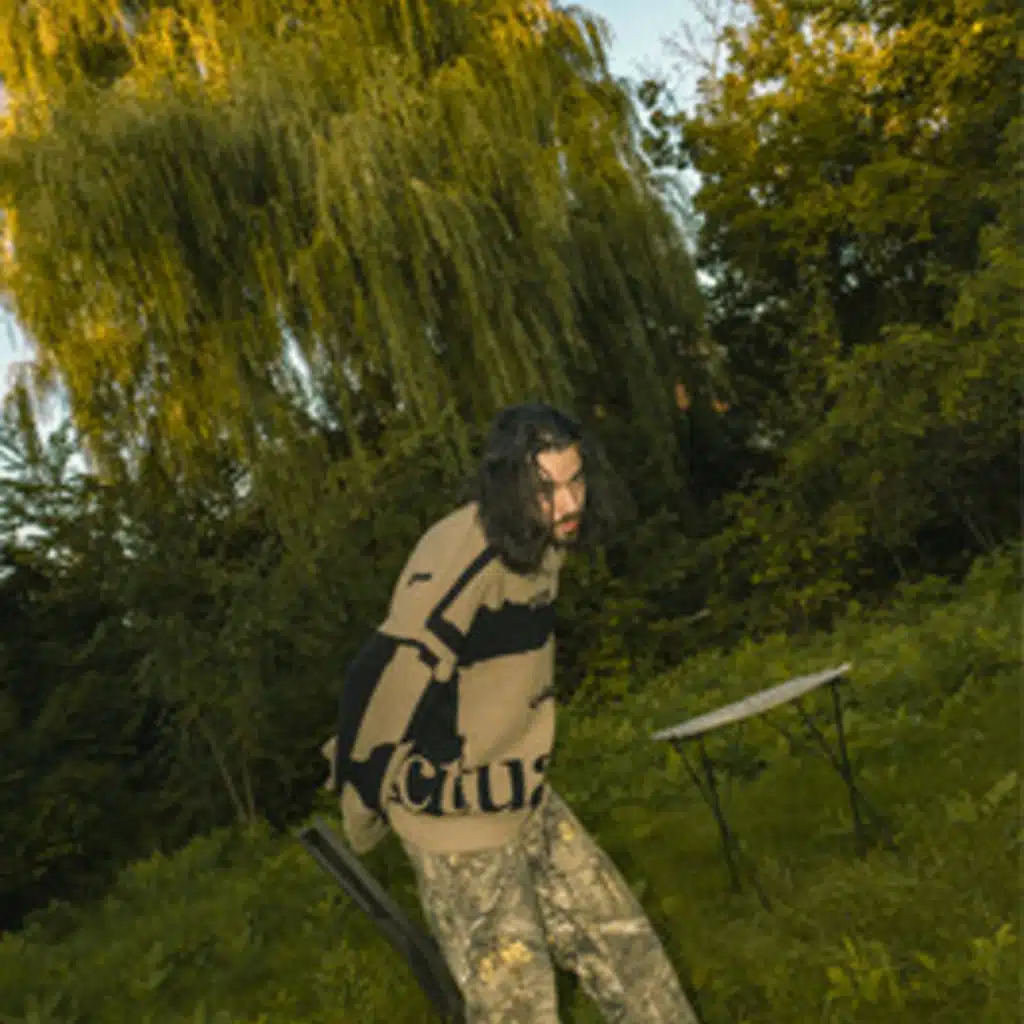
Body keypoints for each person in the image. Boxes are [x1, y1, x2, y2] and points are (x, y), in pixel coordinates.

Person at [321, 402, 700, 1023]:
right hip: (459, 827)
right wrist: (364, 807)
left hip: (524, 795)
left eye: (575, 480)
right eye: (545, 489)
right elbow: (379, 676)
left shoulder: (540, 541)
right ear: (507, 486)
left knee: (635, 967)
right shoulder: (465, 555)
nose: (568, 503)